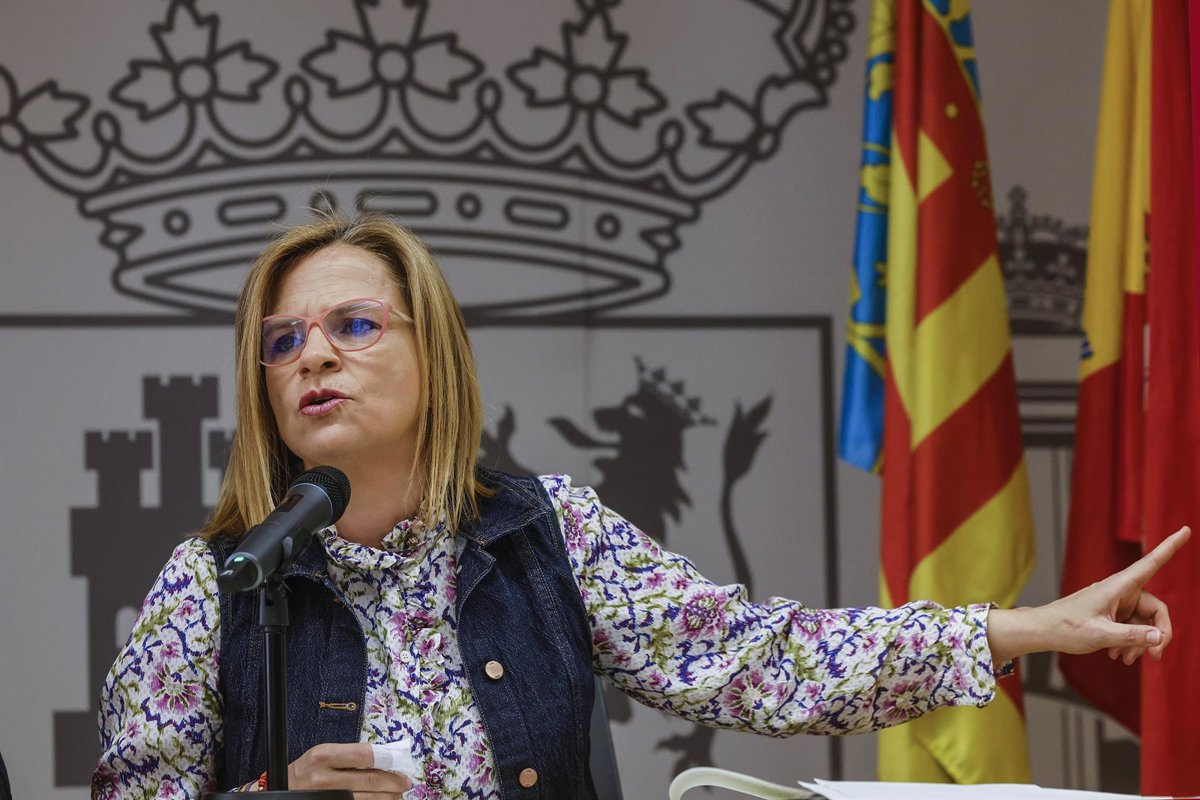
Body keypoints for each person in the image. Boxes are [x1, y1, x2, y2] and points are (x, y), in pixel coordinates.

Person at [91, 214, 1190, 799]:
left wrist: (1020, 628)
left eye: (354, 325)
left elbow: (759, 659)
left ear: (437, 355)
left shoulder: (546, 532)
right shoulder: (217, 581)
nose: (312, 355)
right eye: (282, 340)